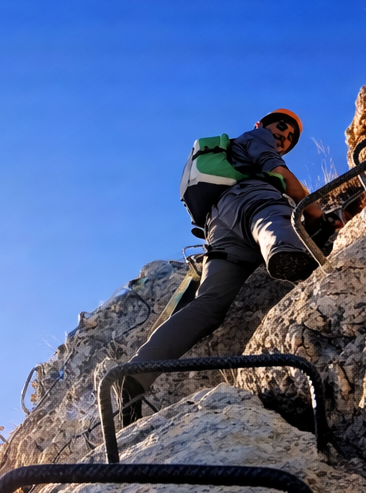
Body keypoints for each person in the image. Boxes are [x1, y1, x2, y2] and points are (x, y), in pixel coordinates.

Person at [120, 108, 336, 422]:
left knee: (208, 306)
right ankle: (285, 253)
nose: (283, 137)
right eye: (281, 127)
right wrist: (319, 216)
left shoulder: (235, 150)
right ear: (262, 124)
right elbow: (282, 177)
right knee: (274, 216)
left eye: (290, 137)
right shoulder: (256, 137)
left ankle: (136, 374)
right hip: (251, 200)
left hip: (219, 228)